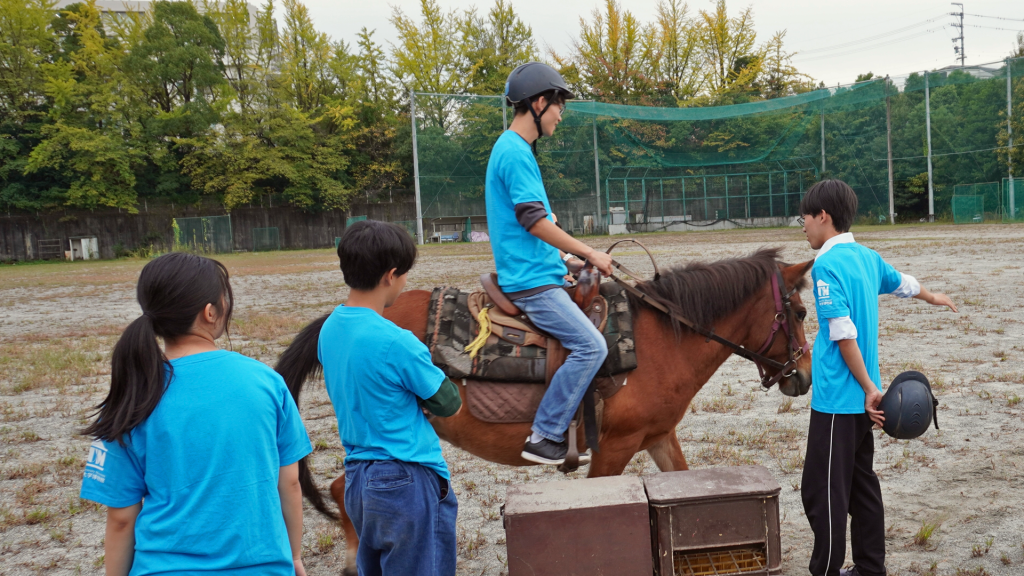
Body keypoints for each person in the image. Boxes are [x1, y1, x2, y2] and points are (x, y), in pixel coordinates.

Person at [80, 252, 312, 576]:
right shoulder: (266, 382)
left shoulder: (132, 395)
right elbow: (288, 483)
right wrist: (295, 555)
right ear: (210, 312)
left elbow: (121, 519)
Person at [799, 180, 957, 576]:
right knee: (861, 486)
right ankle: (871, 568)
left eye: (804, 217)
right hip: (865, 403)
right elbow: (902, 283)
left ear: (823, 216)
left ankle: (826, 571)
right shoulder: (867, 257)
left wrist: (870, 388)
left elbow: (842, 332)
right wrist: (933, 296)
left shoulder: (827, 265)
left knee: (824, 493)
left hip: (840, 399)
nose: (801, 224)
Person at [486, 62, 615, 465]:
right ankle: (545, 434)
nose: (561, 114)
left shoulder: (515, 149)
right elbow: (534, 221)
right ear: (539, 103)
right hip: (531, 283)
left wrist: (563, 257)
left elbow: (526, 227)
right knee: (591, 346)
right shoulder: (514, 152)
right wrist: (588, 253)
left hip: (539, 268)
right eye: (559, 105)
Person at [319, 220, 462, 576]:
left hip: (358, 480)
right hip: (406, 482)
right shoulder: (397, 342)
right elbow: (448, 402)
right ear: (391, 275)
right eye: (405, 275)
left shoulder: (329, 328)